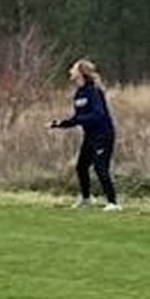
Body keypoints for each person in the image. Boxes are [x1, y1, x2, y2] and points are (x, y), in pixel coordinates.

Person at [49, 58, 120, 210]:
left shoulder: (94, 91)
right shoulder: (79, 94)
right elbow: (77, 118)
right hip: (90, 135)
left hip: (103, 134)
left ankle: (113, 203)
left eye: (73, 69)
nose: (70, 72)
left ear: (81, 72)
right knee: (81, 166)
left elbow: (98, 115)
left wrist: (79, 120)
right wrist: (60, 123)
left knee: (100, 167)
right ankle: (87, 199)